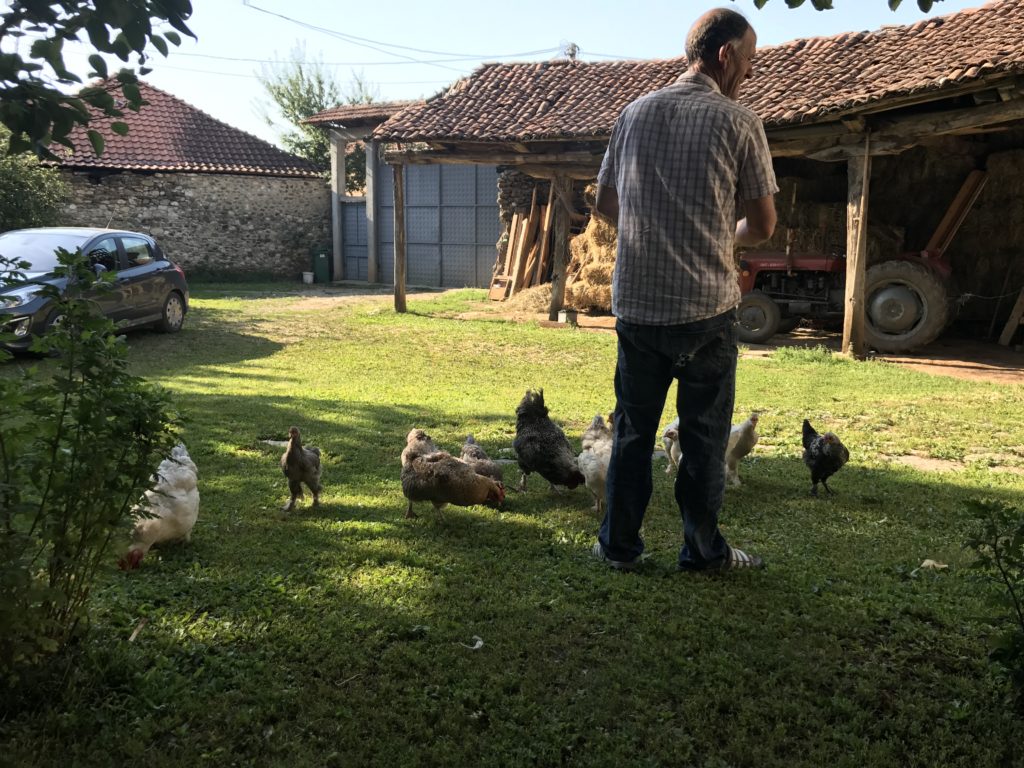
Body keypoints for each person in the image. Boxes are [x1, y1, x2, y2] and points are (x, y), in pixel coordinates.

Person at [592, 8, 778, 572]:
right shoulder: (740, 122)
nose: (747, 73)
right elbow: (764, 226)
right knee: (702, 439)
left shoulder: (633, 113)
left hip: (640, 310)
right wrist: (721, 239)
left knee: (631, 433)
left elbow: (603, 204)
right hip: (706, 311)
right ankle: (702, 553)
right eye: (747, 61)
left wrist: (654, 230)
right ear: (724, 55)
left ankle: (619, 547)